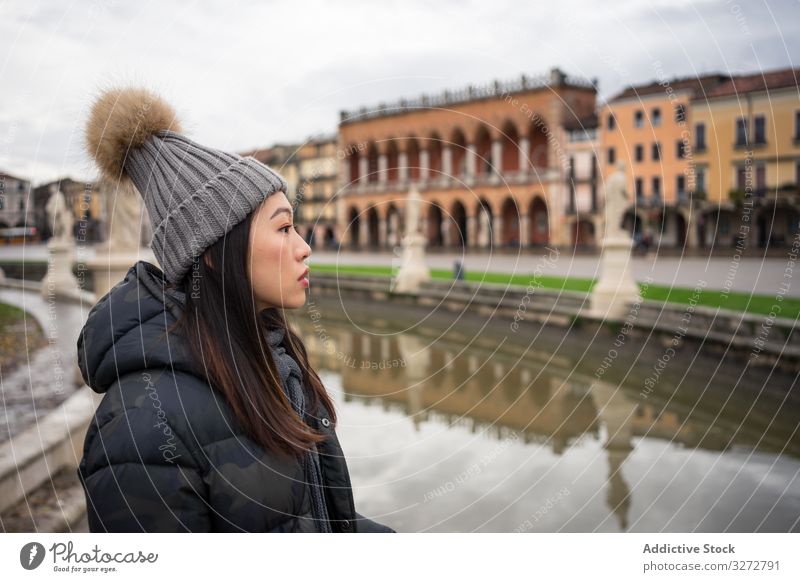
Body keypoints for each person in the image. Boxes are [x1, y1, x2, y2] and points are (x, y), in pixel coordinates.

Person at [76, 86, 395, 533]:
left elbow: (322, 521)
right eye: (283, 228)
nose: (304, 248)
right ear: (211, 252)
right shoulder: (141, 427)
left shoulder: (275, 364)